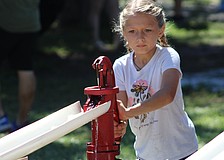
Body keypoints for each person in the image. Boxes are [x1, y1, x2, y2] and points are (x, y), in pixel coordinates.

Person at [112, 0, 198, 159]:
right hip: (146, 153)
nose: (140, 37)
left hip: (181, 151)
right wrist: (120, 125)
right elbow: (121, 108)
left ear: (161, 30)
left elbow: (167, 95)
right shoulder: (120, 66)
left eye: (147, 30)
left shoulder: (168, 56)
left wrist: (128, 113)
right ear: (123, 33)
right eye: (132, 31)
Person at [0, 0, 41, 132]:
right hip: (30, 23)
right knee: (26, 69)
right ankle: (22, 121)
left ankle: (1, 118)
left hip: (5, 23)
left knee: (26, 69)